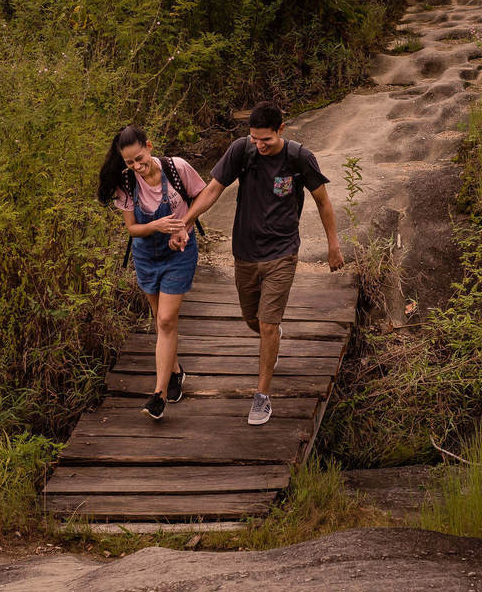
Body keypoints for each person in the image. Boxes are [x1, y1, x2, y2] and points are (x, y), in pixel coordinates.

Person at [171, 103, 344, 425]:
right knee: (253, 319)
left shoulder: (299, 157)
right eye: (254, 138)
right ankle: (272, 338)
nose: (260, 145)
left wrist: (333, 245)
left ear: (281, 129)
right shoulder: (242, 150)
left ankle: (262, 396)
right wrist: (186, 222)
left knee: (266, 324)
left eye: (266, 139)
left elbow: (322, 201)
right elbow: (213, 189)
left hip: (282, 252)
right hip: (245, 252)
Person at [97, 125, 206, 420]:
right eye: (129, 162)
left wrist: (185, 225)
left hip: (179, 252)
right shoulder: (126, 183)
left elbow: (203, 195)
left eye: (139, 158)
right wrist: (156, 226)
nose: (136, 166)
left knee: (167, 319)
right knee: (160, 320)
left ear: (149, 146)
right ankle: (175, 372)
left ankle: (158, 395)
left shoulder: (177, 168)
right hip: (146, 255)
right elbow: (132, 228)